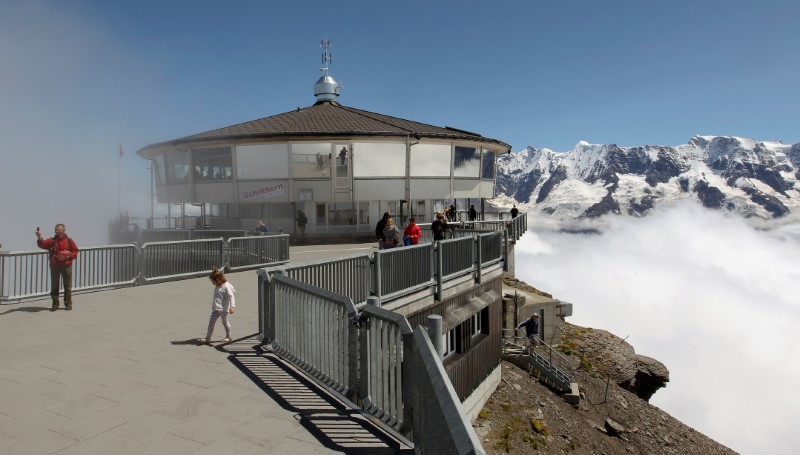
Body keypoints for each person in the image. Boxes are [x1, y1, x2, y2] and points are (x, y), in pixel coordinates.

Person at [36, 224, 79, 311]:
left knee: (67, 285)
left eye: (58, 230)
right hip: (55, 266)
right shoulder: (52, 241)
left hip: (66, 265)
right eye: (56, 229)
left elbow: (75, 251)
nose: (56, 231)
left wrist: (69, 256)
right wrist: (39, 236)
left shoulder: (69, 240)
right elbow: (42, 244)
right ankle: (55, 304)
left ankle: (68, 304)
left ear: (63, 230)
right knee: (54, 285)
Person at [198, 267, 236, 344]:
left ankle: (229, 336)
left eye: (213, 281)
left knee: (225, 323)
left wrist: (232, 306)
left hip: (224, 310)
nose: (212, 283)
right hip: (215, 309)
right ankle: (207, 338)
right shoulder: (218, 285)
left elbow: (231, 297)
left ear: (218, 280)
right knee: (211, 323)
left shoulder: (226, 286)